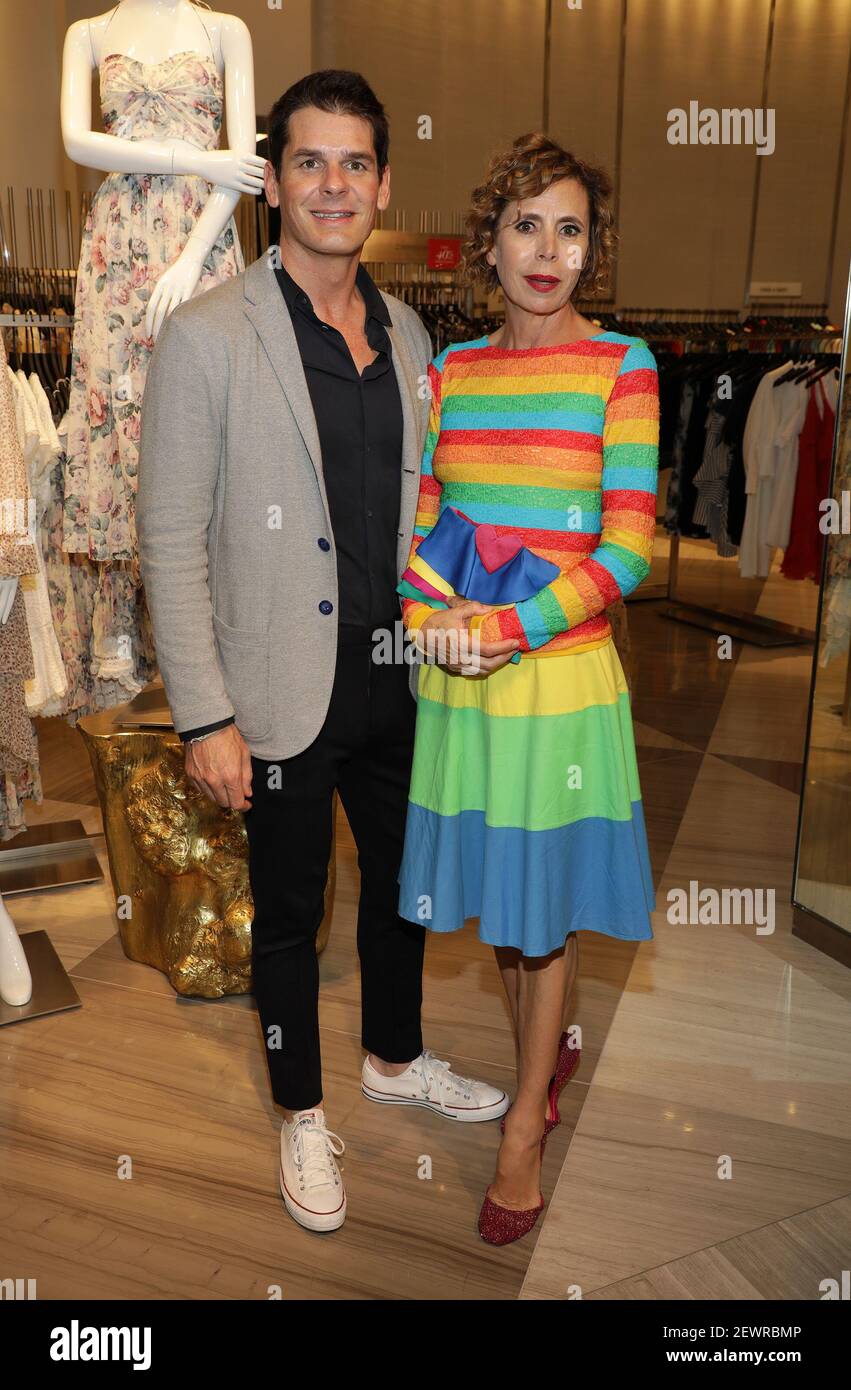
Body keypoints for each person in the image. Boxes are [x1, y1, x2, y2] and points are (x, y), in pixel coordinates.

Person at [137, 70, 509, 1235]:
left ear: (384, 184)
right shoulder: (206, 337)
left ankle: (394, 1058)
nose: (333, 185)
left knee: (407, 892)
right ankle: (300, 1107)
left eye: (355, 164)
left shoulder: (406, 332)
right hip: (277, 690)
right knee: (291, 915)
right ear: (275, 181)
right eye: (310, 162)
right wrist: (203, 714)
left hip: (401, 675)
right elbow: (168, 537)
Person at [397, 133, 659, 1246]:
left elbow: (629, 551)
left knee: (542, 917)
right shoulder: (449, 372)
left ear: (590, 252)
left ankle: (520, 1135)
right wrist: (423, 625)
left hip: (554, 686)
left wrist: (502, 625)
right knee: (503, 917)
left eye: (571, 229)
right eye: (526, 225)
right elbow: (420, 531)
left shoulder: (624, 365)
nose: (547, 250)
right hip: (462, 686)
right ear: (488, 243)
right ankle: (540, 1054)